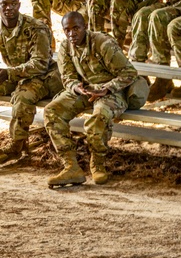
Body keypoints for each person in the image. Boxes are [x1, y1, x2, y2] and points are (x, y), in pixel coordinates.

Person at [43, 12, 147, 187]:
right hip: (85, 89)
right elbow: (67, 77)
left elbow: (129, 73)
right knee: (52, 111)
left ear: (85, 27)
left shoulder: (102, 43)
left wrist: (106, 89)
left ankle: (97, 163)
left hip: (112, 90)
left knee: (98, 116)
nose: (71, 34)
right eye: (67, 30)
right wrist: (77, 87)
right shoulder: (65, 47)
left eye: (76, 28)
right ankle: (71, 167)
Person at [0, 0, 63, 164]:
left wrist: (9, 73)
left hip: (44, 76)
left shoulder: (36, 28)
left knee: (22, 97)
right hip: (18, 75)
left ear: (19, 5)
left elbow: (40, 64)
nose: (8, 8)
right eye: (4, 4)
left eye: (13, 4)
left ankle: (16, 146)